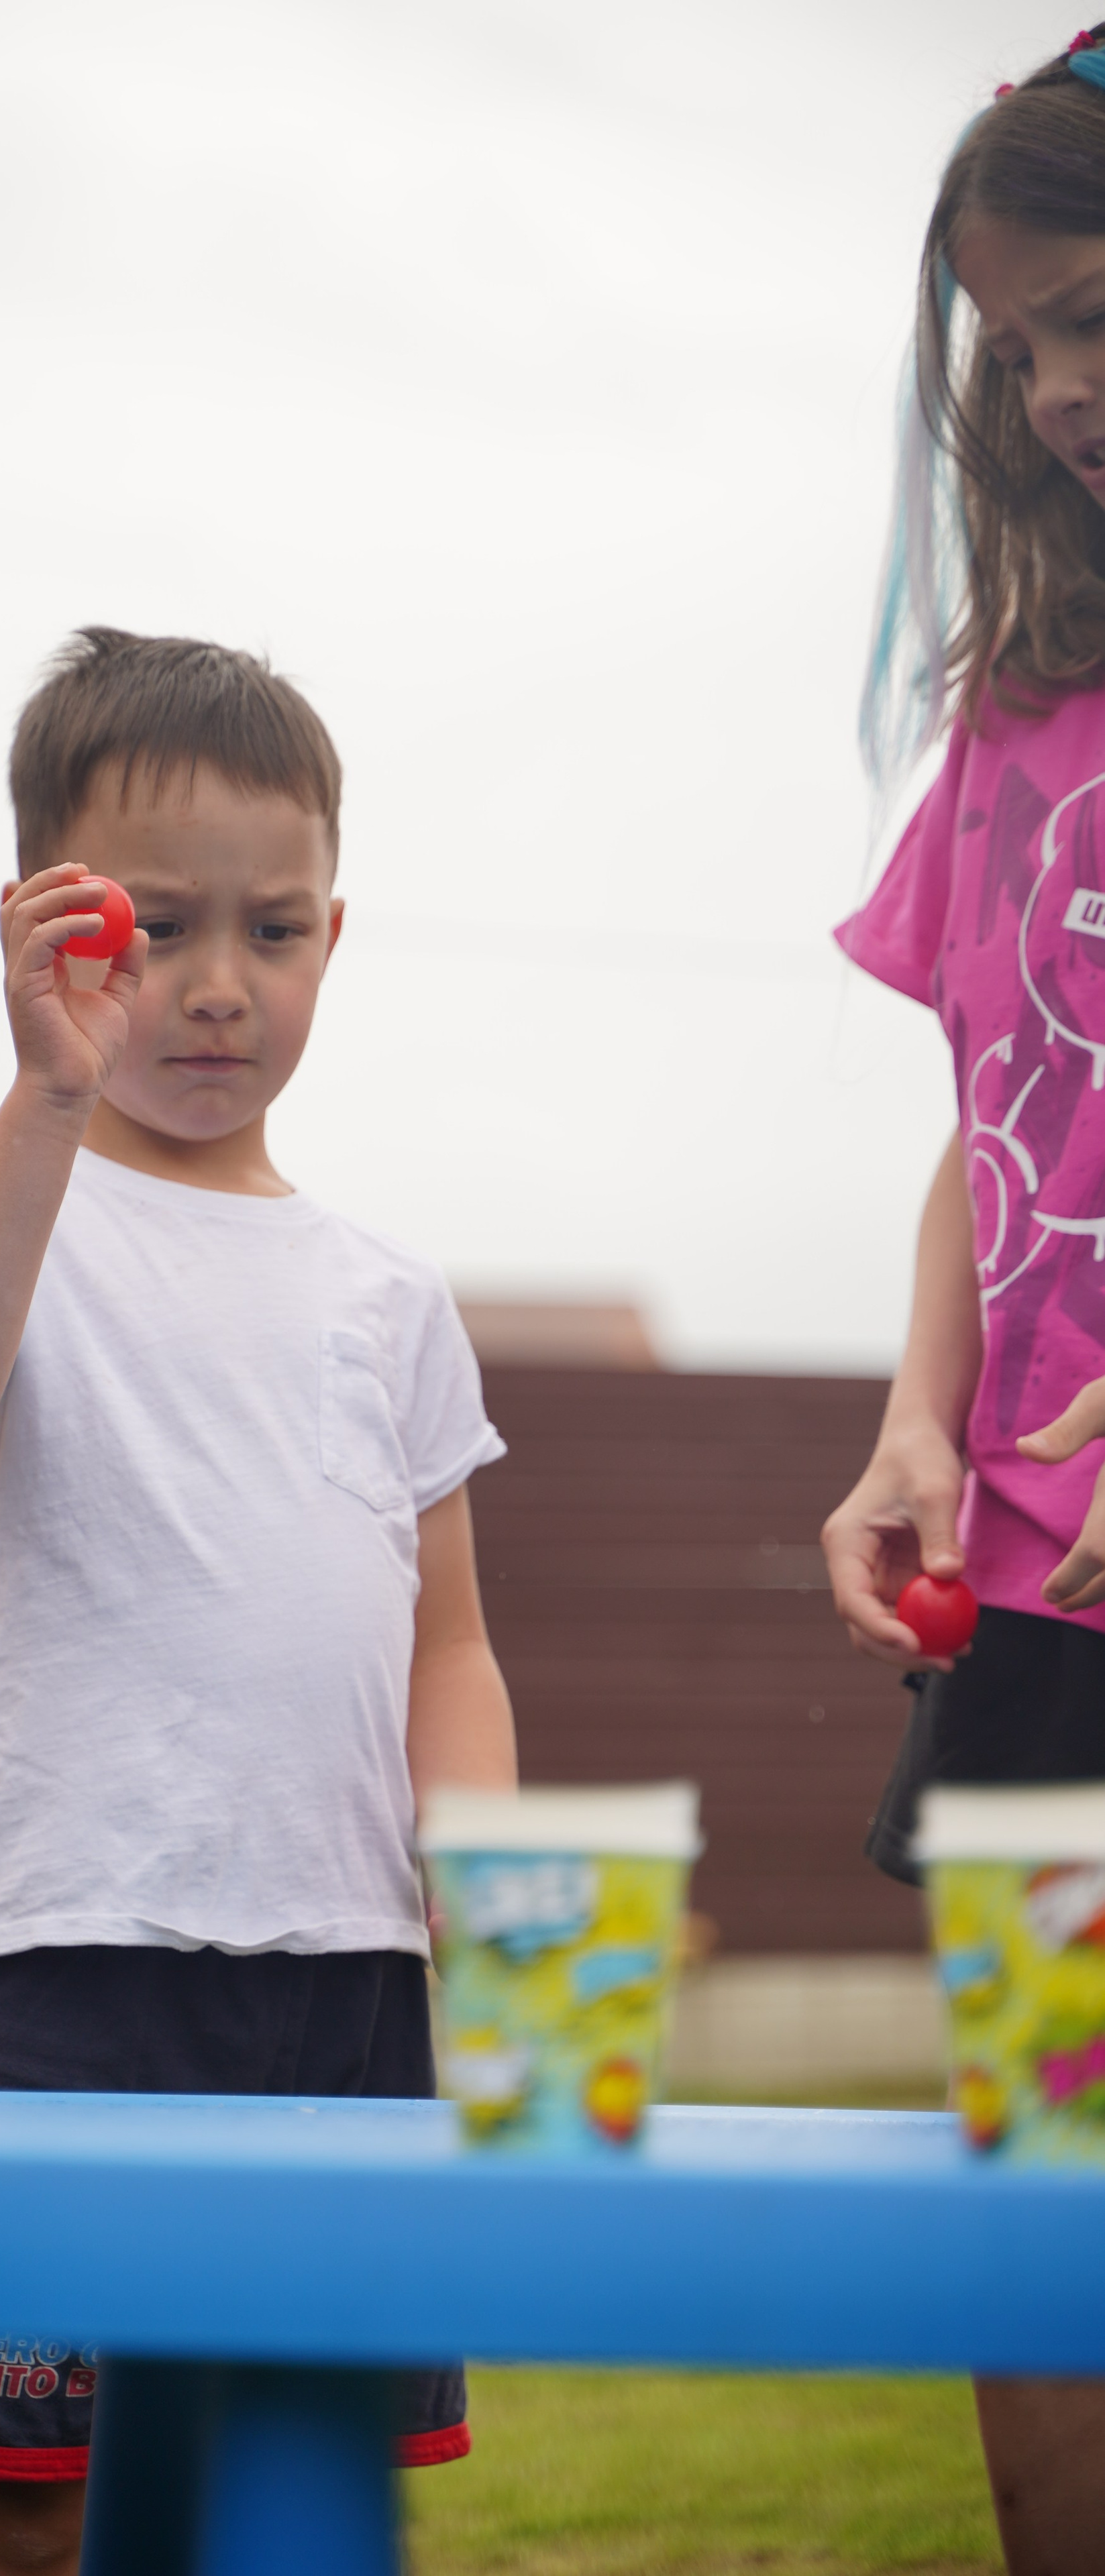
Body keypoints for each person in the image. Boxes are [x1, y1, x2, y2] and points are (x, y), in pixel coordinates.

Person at [0, 628, 519, 2575]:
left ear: (335, 931)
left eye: (277, 928)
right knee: (12, 2515)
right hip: (70, 1963)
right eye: (152, 926)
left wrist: (474, 1885)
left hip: (347, 1988)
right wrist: (42, 1100)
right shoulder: (6, 1198)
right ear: (47, 928)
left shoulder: (388, 1295)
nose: (218, 985)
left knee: (296, 2495)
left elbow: (452, 1641)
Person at [821, 31, 1105, 2575]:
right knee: (1048, 2236)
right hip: (1036, 1619)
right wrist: (925, 1415)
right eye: (1020, 346)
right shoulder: (1014, 715)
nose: (1055, 390)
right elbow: (993, 1120)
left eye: (1096, 314)